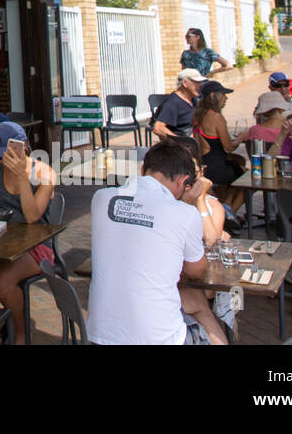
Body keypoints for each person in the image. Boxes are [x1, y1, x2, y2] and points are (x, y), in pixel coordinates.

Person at [88, 141, 209, 345]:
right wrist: (187, 202)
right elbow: (197, 271)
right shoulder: (185, 213)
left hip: (100, 335)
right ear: (183, 181)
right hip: (159, 339)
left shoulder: (101, 198)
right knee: (199, 313)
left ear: (143, 169)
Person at [0, 124, 56, 337]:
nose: (6, 160)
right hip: (1, 240)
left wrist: (22, 176)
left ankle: (20, 334)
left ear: (24, 147)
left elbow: (32, 217)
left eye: (10, 154)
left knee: (2, 280)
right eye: (1, 155)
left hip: (35, 244)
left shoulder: (44, 173)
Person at [178, 155, 232, 346]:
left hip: (196, 280)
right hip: (178, 281)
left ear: (202, 172)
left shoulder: (212, 205)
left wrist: (200, 199)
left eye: (195, 172)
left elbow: (210, 239)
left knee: (203, 294)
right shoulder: (170, 203)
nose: (191, 179)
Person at [192, 80, 245, 209]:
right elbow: (229, 147)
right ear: (213, 96)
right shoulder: (216, 117)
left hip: (205, 165)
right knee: (247, 182)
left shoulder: (197, 115)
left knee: (240, 164)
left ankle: (225, 207)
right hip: (218, 168)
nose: (226, 98)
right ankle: (231, 213)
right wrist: (241, 138)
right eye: (223, 94)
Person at [150, 69, 204, 140]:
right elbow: (158, 128)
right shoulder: (172, 103)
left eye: (200, 82)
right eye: (196, 82)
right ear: (184, 83)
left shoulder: (194, 100)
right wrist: (181, 142)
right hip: (182, 147)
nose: (200, 85)